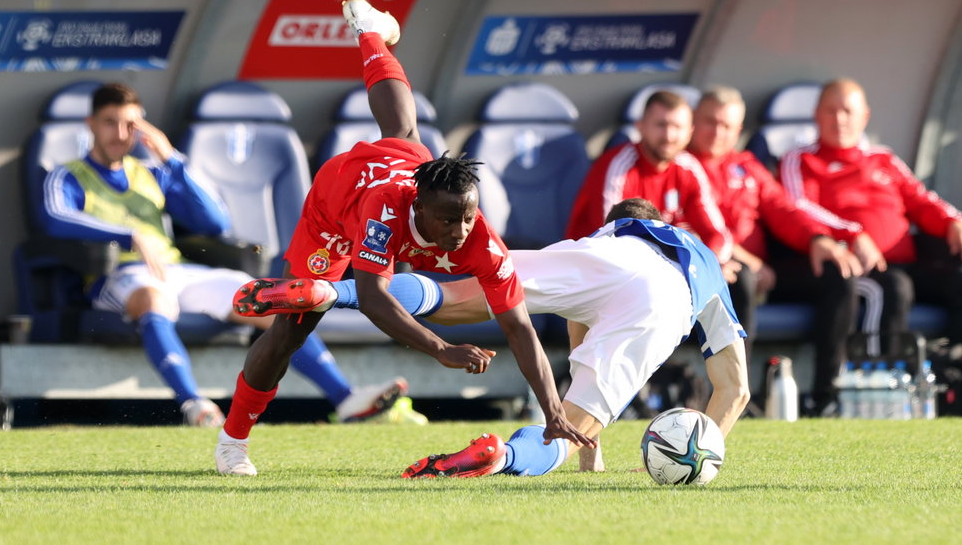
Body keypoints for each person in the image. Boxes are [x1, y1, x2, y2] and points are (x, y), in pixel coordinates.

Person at [215, 0, 593, 476]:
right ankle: (232, 442)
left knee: (406, 130)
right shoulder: (384, 212)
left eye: (469, 218)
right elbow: (375, 299)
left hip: (401, 160)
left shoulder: (480, 239)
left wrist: (553, 412)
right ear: (418, 207)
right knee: (294, 326)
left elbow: (518, 327)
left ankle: (370, 33)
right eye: (448, 221)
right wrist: (440, 349)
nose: (459, 233)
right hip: (334, 207)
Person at [240, 198, 750, 478]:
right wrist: (704, 452)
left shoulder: (613, 236)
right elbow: (735, 389)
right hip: (665, 300)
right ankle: (501, 457)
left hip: (599, 264)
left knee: (459, 294)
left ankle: (331, 289)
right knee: (562, 438)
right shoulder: (702, 260)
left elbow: (580, 315)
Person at [41, 82, 409, 428]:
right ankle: (193, 404)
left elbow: (216, 220)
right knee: (153, 298)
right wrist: (128, 235)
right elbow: (55, 218)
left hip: (176, 270)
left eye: (130, 125)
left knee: (270, 298)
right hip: (121, 277)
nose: (120, 134)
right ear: (90, 124)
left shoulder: (152, 172)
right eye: (110, 123)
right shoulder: (67, 175)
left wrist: (173, 160)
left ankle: (345, 398)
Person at [780, 78, 962, 366]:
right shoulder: (800, 160)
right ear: (817, 115)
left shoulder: (883, 159)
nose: (839, 119)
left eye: (847, 111)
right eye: (831, 111)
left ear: (864, 117)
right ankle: (878, 379)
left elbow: (920, 199)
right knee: (895, 285)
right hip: (855, 266)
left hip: (908, 261)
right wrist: (853, 235)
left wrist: (954, 223)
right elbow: (798, 208)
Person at [687, 87, 862, 409]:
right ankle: (737, 396)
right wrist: (746, 259)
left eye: (727, 126)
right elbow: (684, 228)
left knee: (836, 274)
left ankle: (827, 396)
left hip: (765, 270)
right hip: (718, 271)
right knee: (742, 278)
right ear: (694, 122)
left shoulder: (746, 165)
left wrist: (817, 239)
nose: (717, 132)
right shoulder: (682, 166)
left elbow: (783, 209)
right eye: (710, 122)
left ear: (738, 131)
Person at [565, 90, 735, 275]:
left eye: (677, 127)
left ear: (690, 132)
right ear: (641, 127)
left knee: (738, 281)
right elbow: (611, 236)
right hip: (600, 270)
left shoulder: (689, 168)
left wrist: (708, 263)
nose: (669, 135)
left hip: (664, 266)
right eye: (661, 125)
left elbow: (718, 235)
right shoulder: (618, 167)